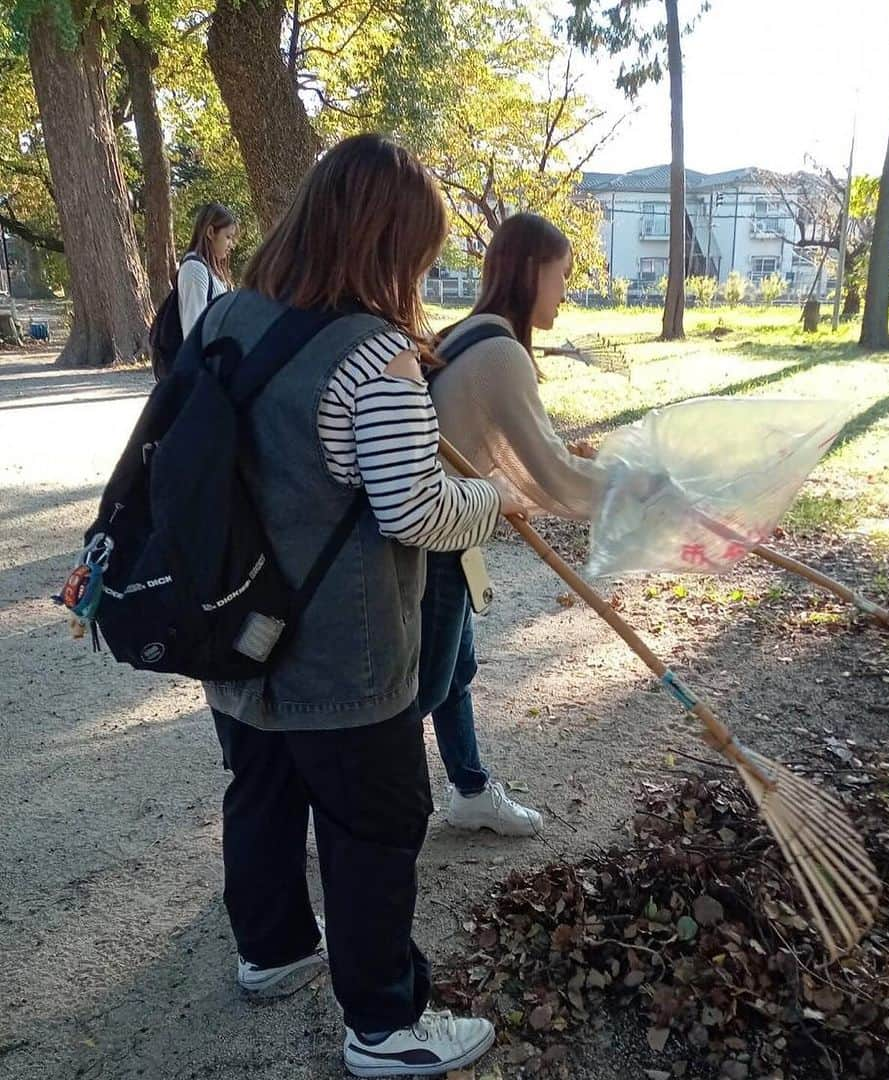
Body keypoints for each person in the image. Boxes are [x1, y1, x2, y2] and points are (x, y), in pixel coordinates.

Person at [196, 135, 523, 1078]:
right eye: (418, 248)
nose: (422, 268)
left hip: (235, 633)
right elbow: (416, 509)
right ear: (388, 242)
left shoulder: (230, 323)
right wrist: (494, 499)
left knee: (257, 793)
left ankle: (272, 952)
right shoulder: (375, 357)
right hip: (342, 650)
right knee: (374, 825)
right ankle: (385, 1025)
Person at [420, 212, 602, 837]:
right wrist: (636, 488)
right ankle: (370, 820)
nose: (564, 291)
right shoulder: (499, 351)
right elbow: (548, 478)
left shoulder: (467, 333)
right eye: (561, 275)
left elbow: (519, 452)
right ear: (531, 272)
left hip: (445, 538)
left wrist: (568, 457)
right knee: (421, 689)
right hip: (436, 543)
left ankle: (469, 789)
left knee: (454, 673)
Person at [178, 202, 237, 338]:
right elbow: (192, 332)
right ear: (210, 232)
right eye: (228, 237)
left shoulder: (211, 272)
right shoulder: (194, 269)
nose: (231, 245)